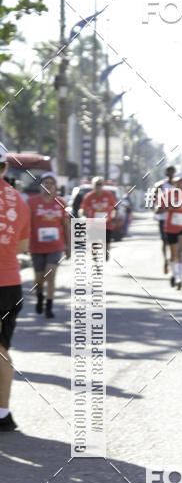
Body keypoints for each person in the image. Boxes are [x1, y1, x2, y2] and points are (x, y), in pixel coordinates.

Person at [0, 143, 30, 432]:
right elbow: (22, 246)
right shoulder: (19, 201)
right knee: (3, 351)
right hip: (10, 285)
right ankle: (3, 414)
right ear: (5, 167)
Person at [27, 172, 71, 319]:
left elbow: (66, 226)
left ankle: (49, 306)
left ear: (55, 187)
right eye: (46, 182)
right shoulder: (31, 202)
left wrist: (68, 246)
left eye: (52, 183)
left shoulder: (61, 202)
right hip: (36, 246)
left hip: (55, 246)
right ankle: (39, 297)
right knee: (39, 279)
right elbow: (25, 223)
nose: (49, 185)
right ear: (41, 185)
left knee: (51, 274)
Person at [80, 176, 117, 260]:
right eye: (96, 184)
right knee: (94, 243)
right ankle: (95, 260)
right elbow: (82, 209)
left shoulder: (108, 195)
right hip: (94, 224)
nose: (98, 186)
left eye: (100, 184)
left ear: (102, 185)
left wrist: (113, 217)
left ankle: (106, 253)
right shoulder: (89, 196)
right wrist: (83, 216)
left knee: (106, 242)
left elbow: (114, 208)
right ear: (93, 185)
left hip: (107, 223)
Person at [156, 166, 176, 274]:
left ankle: (173, 260)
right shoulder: (161, 186)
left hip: (175, 217)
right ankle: (165, 260)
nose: (170, 174)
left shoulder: (177, 185)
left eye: (172, 172)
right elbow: (154, 199)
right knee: (164, 241)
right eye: (169, 172)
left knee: (174, 242)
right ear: (166, 173)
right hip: (163, 217)